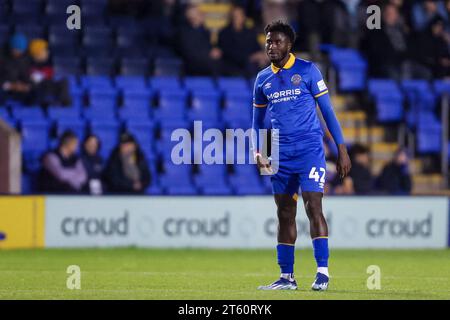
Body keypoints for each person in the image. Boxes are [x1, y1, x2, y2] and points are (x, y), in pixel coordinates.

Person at [252, 21, 351, 291]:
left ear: (289, 45)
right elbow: (257, 121)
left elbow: (328, 112)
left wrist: (341, 148)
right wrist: (258, 151)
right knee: (284, 213)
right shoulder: (262, 79)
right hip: (280, 155)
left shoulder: (308, 70)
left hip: (309, 150)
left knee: (313, 206)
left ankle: (322, 272)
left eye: (277, 42)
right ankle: (287, 277)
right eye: (268, 41)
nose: (271, 46)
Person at [217, 5, 267, 76]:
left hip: (251, 65)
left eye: (239, 15)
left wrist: (261, 56)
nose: (236, 18)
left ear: (244, 17)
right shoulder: (224, 33)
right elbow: (228, 53)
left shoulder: (250, 32)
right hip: (232, 67)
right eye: (234, 16)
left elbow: (256, 48)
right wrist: (250, 57)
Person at [178, 4, 222, 76]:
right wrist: (209, 54)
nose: (201, 16)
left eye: (199, 14)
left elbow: (208, 46)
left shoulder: (204, 31)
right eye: (198, 14)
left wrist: (214, 51)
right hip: (192, 64)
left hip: (205, 61)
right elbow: (189, 52)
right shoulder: (184, 32)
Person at [28, 39, 71, 107]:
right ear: (37, 53)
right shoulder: (29, 65)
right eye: (44, 51)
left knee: (64, 82)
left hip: (49, 89)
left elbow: (50, 75)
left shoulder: (48, 65)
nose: (47, 52)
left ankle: (64, 104)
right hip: (37, 93)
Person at [0, 33, 33, 105]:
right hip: (4, 87)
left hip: (18, 88)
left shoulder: (25, 59)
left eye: (20, 51)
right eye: (16, 50)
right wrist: (10, 85)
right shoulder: (2, 57)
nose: (18, 53)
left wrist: (25, 86)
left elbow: (25, 75)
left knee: (32, 93)